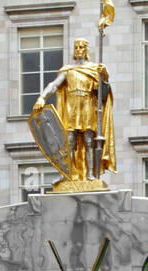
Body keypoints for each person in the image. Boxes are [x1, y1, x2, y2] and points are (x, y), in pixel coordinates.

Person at [32, 37, 116, 182]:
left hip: (87, 106)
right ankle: (66, 174)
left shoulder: (94, 70)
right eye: (76, 47)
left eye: (81, 47)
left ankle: (90, 174)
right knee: (68, 142)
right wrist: (42, 97)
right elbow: (54, 85)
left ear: (86, 50)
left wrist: (105, 77)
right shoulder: (68, 70)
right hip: (71, 108)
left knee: (89, 141)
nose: (78, 50)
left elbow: (102, 95)